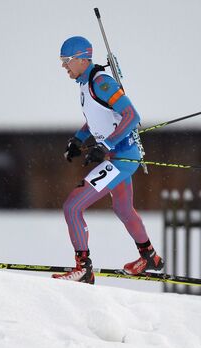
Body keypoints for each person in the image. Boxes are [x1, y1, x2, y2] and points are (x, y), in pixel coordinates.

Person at [51, 36, 164, 285]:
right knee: (122, 209)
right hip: (118, 156)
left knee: (72, 206)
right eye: (61, 61)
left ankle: (83, 268)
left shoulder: (101, 82)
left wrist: (106, 145)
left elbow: (132, 115)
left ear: (82, 58)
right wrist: (79, 139)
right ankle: (150, 257)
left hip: (121, 156)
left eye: (66, 60)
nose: (63, 66)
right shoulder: (85, 83)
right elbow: (98, 117)